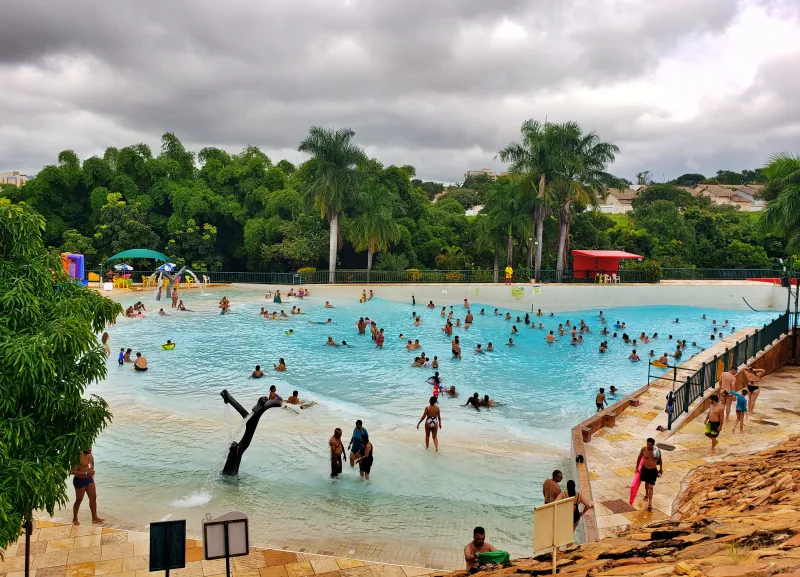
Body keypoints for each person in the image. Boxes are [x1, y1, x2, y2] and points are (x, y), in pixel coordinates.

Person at [71, 447, 103, 525]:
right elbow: (72, 471)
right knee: (79, 499)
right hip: (80, 480)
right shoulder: (78, 456)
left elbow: (92, 463)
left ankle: (94, 518)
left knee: (93, 497)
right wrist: (85, 474)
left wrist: (92, 474)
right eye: (88, 447)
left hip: (89, 479)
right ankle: (75, 518)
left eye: (91, 447)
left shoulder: (90, 454)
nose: (90, 449)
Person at [635, 438, 663, 511]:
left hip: (653, 470)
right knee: (646, 483)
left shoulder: (656, 451)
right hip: (645, 469)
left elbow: (660, 460)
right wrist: (637, 467)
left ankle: (650, 503)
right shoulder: (644, 449)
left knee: (651, 486)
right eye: (647, 444)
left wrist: (661, 469)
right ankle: (646, 494)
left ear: (653, 445)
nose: (648, 446)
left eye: (650, 445)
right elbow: (639, 457)